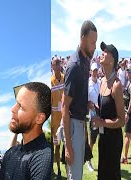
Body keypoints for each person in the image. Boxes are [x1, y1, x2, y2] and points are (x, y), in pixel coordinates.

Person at [0, 82, 52, 180]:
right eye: (16, 103)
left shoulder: (45, 158)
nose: (12, 109)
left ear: (39, 118)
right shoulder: (10, 154)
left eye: (21, 106)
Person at [62, 20, 97, 180]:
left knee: (78, 174)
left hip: (81, 124)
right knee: (74, 176)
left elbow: (76, 97)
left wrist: (87, 104)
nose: (94, 46)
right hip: (73, 126)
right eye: (92, 42)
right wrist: (68, 146)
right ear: (82, 38)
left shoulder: (85, 61)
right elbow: (64, 106)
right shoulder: (74, 66)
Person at [91, 42, 125, 179]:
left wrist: (102, 122)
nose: (102, 53)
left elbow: (121, 120)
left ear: (112, 60)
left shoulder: (116, 85)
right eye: (102, 50)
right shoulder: (102, 82)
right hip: (103, 138)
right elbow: (106, 110)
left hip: (114, 140)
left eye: (106, 51)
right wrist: (94, 108)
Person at [51, 57, 64, 178]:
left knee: (67, 144)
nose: (57, 66)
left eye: (58, 63)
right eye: (55, 64)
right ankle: (58, 170)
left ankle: (66, 168)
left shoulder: (65, 78)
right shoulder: (51, 81)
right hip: (55, 121)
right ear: (52, 66)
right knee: (57, 146)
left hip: (65, 118)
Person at [86, 62, 100, 172]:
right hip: (92, 114)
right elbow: (84, 99)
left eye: (96, 70)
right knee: (92, 139)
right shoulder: (88, 83)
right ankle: (88, 161)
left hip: (100, 113)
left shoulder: (99, 83)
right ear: (91, 71)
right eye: (94, 70)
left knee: (101, 138)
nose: (95, 72)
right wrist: (89, 104)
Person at [122, 68, 131, 164]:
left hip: (130, 113)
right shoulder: (128, 82)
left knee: (127, 135)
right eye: (128, 72)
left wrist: (128, 113)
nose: (128, 74)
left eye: (129, 72)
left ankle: (124, 157)